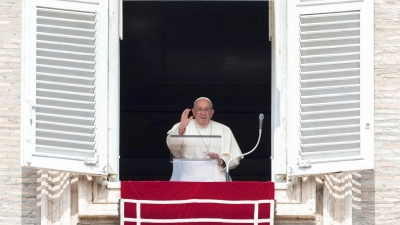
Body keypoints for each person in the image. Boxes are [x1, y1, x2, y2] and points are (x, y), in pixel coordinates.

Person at [166, 97, 243, 181]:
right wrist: (180, 130)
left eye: (206, 109)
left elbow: (235, 157)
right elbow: (173, 146)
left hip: (217, 178)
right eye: (199, 109)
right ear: (194, 112)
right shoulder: (182, 126)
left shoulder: (224, 130)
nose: (203, 113)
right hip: (189, 179)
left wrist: (221, 161)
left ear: (212, 112)